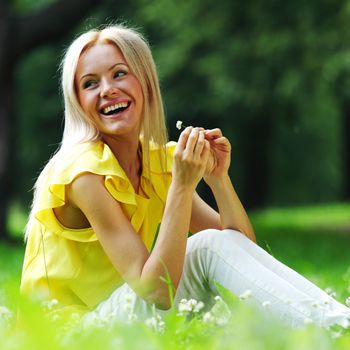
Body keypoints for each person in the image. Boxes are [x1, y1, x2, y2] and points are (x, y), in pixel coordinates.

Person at [20, 24, 350, 328]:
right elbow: (154, 291)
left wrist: (219, 179)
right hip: (71, 333)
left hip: (126, 315)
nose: (107, 90)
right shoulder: (82, 172)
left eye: (119, 74)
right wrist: (182, 183)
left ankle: (338, 323)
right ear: (78, 101)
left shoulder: (155, 161)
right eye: (90, 84)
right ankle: (338, 328)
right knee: (205, 248)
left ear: (146, 83)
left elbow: (239, 254)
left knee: (214, 244)